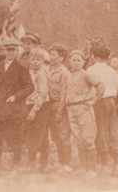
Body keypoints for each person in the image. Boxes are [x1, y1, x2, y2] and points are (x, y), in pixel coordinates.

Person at [58, 50, 104, 178]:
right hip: (71, 109)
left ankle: (91, 169)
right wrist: (61, 109)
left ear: (83, 62)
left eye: (79, 60)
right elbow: (63, 93)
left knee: (87, 138)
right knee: (78, 139)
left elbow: (100, 85)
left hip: (84, 108)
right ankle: (83, 168)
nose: (76, 62)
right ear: (69, 62)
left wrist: (94, 100)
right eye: (74, 60)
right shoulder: (66, 75)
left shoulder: (86, 74)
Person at [0, 35, 33, 173]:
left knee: (15, 136)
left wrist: (16, 97)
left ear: (17, 51)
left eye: (13, 50)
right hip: (0, 107)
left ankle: (16, 163)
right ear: (4, 51)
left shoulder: (21, 67)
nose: (10, 52)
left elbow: (29, 87)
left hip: (15, 108)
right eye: (8, 50)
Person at [86, 45, 118, 176]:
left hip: (99, 102)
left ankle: (103, 164)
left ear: (94, 56)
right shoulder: (112, 71)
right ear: (107, 58)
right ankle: (116, 165)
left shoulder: (90, 70)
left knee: (100, 131)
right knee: (113, 131)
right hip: (112, 102)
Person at [25, 48, 51, 173]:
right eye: (33, 59)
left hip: (41, 107)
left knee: (40, 134)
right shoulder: (29, 72)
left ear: (42, 61)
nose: (35, 62)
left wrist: (34, 110)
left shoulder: (42, 74)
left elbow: (42, 93)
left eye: (38, 60)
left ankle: (43, 163)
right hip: (29, 104)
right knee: (31, 133)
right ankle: (32, 161)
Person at [48, 44, 72, 172]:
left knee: (64, 136)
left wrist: (60, 110)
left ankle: (66, 164)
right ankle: (59, 161)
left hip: (59, 105)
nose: (51, 57)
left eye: (54, 55)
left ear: (61, 58)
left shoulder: (64, 73)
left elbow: (64, 93)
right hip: (49, 105)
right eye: (51, 54)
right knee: (55, 136)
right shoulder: (49, 70)